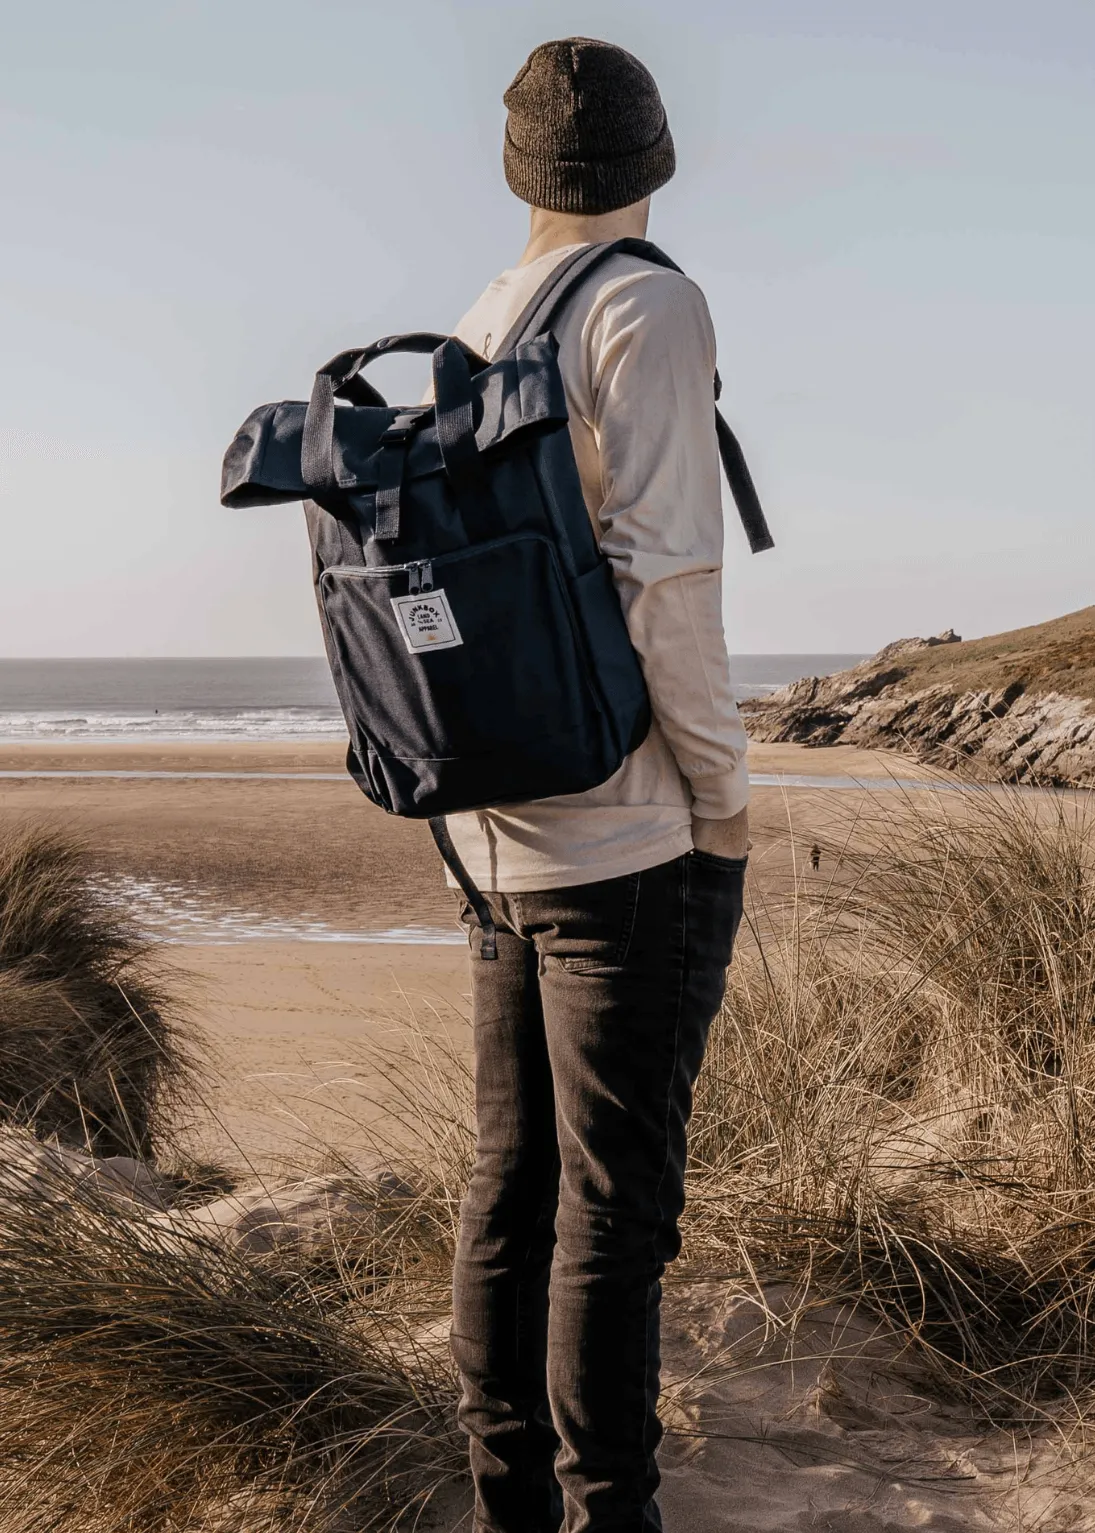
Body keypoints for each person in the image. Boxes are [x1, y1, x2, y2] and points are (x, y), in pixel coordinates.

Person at [445, 37, 750, 1532]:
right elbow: (666, 581)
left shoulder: (482, 315)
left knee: (512, 1190)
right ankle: (608, 1512)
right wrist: (725, 796)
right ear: (655, 162)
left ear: (519, 170)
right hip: (630, 829)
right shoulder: (648, 305)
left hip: (495, 830)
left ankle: (509, 1505)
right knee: (614, 1215)